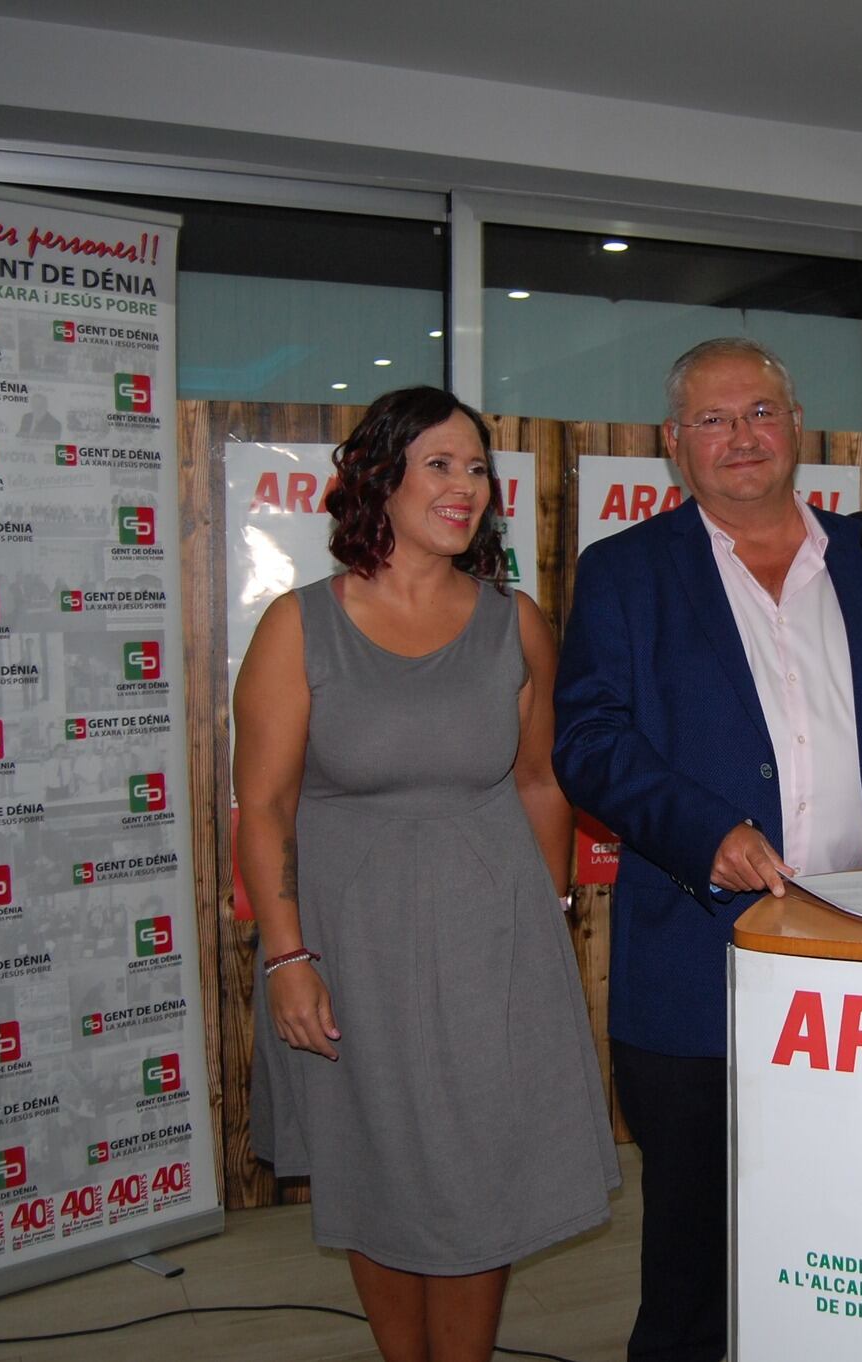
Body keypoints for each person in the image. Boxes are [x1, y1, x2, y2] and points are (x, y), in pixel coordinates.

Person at [554, 336, 862, 1362]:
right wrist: (706, 832)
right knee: (695, 1261)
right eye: (711, 419)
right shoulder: (623, 573)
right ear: (672, 445)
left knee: (848, 1238)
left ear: (794, 430)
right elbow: (589, 743)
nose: (739, 437)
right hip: (702, 968)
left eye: (759, 414)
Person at [236, 386, 617, 1362]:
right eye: (439, 465)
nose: (465, 488)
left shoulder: (513, 624)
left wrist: (544, 914)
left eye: (477, 468)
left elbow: (538, 782)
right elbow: (265, 807)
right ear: (380, 478)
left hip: (490, 945)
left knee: (474, 1173)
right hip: (348, 950)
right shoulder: (298, 627)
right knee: (375, 1169)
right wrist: (288, 958)